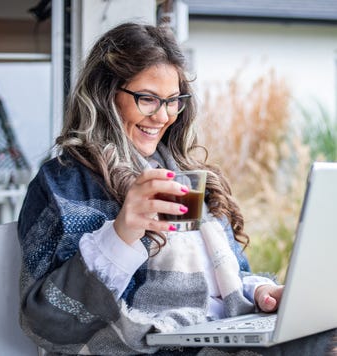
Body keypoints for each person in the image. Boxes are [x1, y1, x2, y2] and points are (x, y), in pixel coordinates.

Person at [17, 22, 334, 356]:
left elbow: (226, 278)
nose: (162, 116)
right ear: (105, 94)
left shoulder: (184, 174)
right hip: (148, 345)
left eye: (173, 100)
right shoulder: (64, 182)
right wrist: (123, 232)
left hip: (217, 336)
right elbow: (47, 320)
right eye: (148, 99)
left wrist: (261, 291)